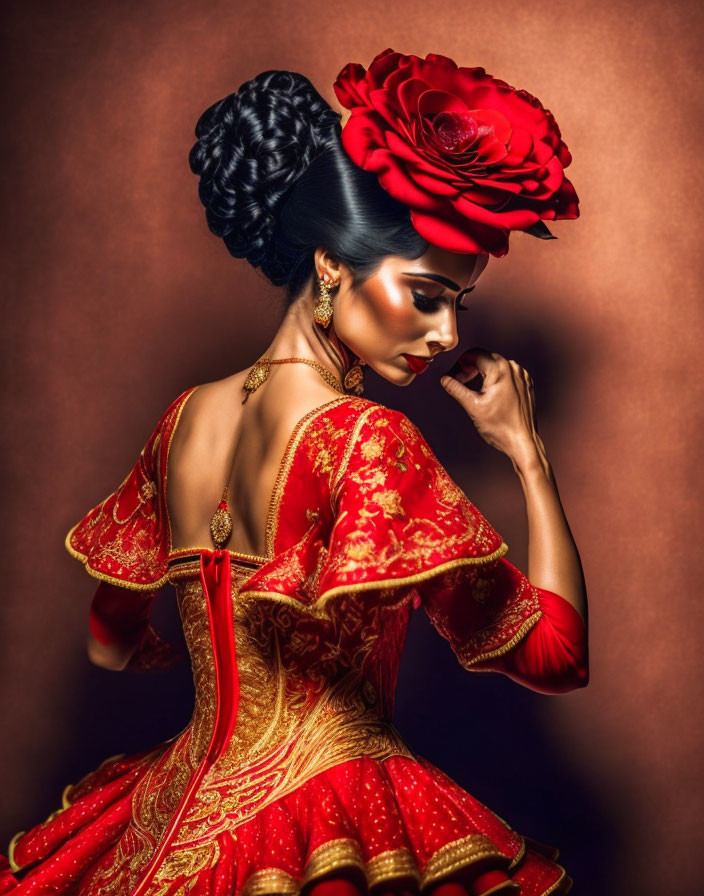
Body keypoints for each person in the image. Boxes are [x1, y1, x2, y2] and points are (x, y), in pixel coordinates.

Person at [1, 48, 588, 896]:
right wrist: (529, 457)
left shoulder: (183, 422)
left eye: (459, 302)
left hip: (169, 817)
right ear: (329, 266)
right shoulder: (368, 442)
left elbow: (107, 638)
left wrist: (187, 655)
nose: (446, 335)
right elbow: (557, 657)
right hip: (331, 825)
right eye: (426, 294)